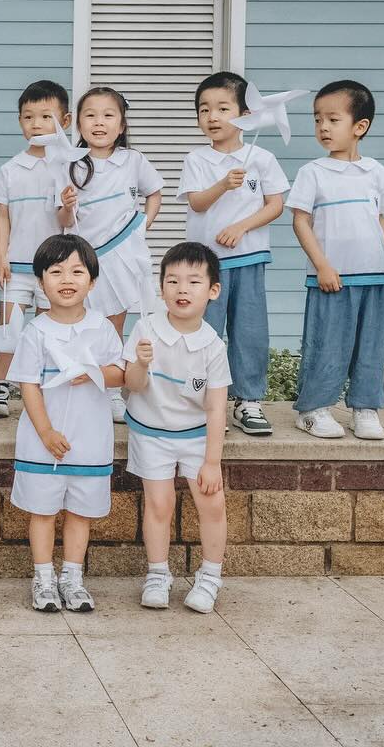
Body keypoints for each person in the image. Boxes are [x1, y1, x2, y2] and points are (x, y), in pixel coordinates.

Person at [287, 80, 384, 440]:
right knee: (327, 344)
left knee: (370, 346)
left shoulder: (376, 172)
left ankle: (365, 407)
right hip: (331, 278)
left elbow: (379, 221)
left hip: (373, 277)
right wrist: (323, 266)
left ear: (360, 126)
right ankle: (313, 409)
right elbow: (300, 221)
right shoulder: (312, 172)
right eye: (317, 120)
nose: (323, 128)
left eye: (332, 119)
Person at [6, 234, 123, 613]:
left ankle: (72, 578)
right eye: (56, 271)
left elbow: (120, 373)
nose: (67, 279)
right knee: (42, 511)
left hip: (89, 439)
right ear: (41, 282)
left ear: (92, 280)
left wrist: (92, 372)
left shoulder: (102, 327)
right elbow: (29, 385)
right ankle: (43, 578)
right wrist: (45, 432)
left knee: (80, 513)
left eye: (77, 271)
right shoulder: (36, 331)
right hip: (44, 440)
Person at [178, 72, 289, 436]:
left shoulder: (263, 158)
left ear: (245, 113)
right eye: (203, 109)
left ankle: (248, 401)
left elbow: (276, 205)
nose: (212, 117)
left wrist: (242, 226)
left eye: (223, 108)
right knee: (203, 331)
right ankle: (201, 402)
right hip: (204, 266)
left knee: (249, 332)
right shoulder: (196, 158)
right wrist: (223, 184)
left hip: (249, 258)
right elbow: (196, 203)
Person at [122, 242, 231, 614]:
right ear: (161, 287)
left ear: (212, 291)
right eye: (173, 281)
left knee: (211, 502)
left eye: (194, 282)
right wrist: (139, 363)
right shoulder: (146, 327)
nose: (182, 289)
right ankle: (157, 574)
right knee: (159, 502)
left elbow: (216, 407)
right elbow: (131, 385)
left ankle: (211, 576)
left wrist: (212, 461)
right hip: (150, 433)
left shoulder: (213, 346)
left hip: (196, 436)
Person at [60, 86, 163, 423]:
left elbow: (155, 193)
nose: (99, 122)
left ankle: (112, 390)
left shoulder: (133, 160)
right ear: (78, 123)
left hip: (120, 256)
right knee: (79, 321)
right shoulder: (71, 164)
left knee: (112, 325)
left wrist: (140, 229)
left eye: (108, 115)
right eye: (90, 115)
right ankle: (75, 385)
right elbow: (62, 220)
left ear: (121, 124)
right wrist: (68, 206)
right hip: (82, 258)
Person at [0, 79, 73, 417]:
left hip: (54, 268)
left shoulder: (67, 167)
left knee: (48, 329)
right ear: (20, 121)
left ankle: (43, 387)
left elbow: (67, 219)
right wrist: (0, 255)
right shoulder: (10, 169)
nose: (36, 124)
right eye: (28, 117)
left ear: (64, 122)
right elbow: (2, 216)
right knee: (9, 328)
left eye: (46, 117)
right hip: (17, 266)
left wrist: (67, 203)